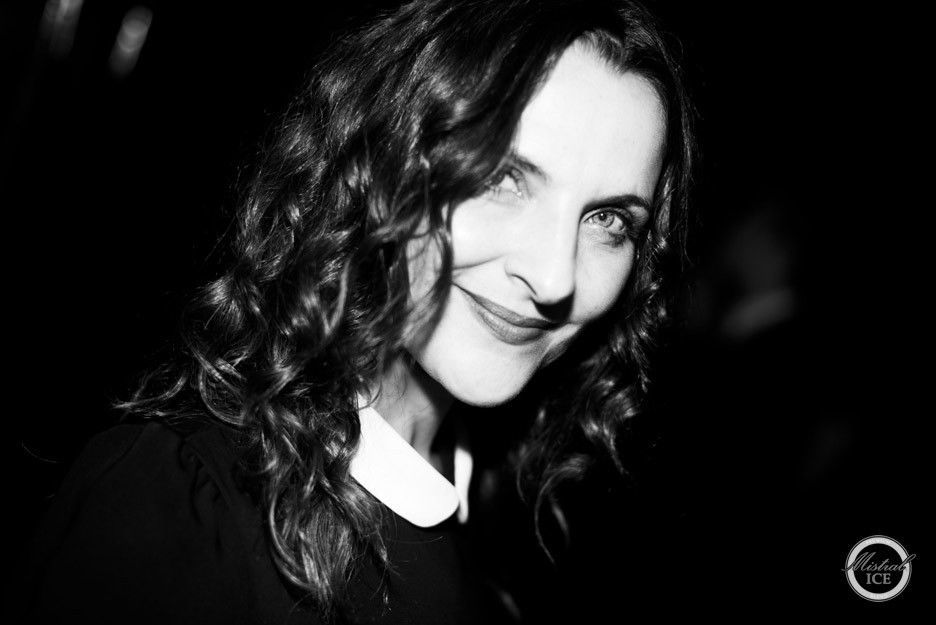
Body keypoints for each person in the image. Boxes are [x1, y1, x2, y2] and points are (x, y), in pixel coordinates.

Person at [23, 0, 694, 622]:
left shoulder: (519, 519)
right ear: (382, 164)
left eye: (610, 220)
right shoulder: (181, 505)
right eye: (500, 177)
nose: (554, 276)